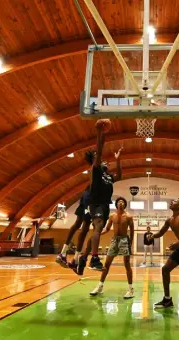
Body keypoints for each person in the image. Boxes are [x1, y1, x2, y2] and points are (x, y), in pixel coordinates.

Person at [78, 119, 123, 275]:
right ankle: (94, 258)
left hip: (104, 205)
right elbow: (100, 148)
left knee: (98, 229)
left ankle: (83, 258)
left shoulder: (108, 176)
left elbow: (120, 176)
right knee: (97, 228)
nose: (105, 161)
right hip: (96, 202)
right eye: (101, 159)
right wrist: (100, 132)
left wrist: (118, 161)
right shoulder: (95, 169)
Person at [90, 197, 134, 299]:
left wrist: (130, 242)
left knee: (127, 264)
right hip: (114, 240)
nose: (121, 203)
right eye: (119, 202)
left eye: (123, 202)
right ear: (116, 204)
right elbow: (108, 228)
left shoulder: (128, 216)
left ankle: (131, 289)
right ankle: (100, 286)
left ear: (125, 205)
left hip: (124, 240)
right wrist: (98, 234)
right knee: (107, 264)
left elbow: (132, 231)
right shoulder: (112, 216)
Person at [55, 184, 91, 269]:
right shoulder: (98, 184)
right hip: (89, 204)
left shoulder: (87, 190)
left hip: (84, 201)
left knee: (77, 225)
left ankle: (63, 253)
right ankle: (75, 259)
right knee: (84, 229)